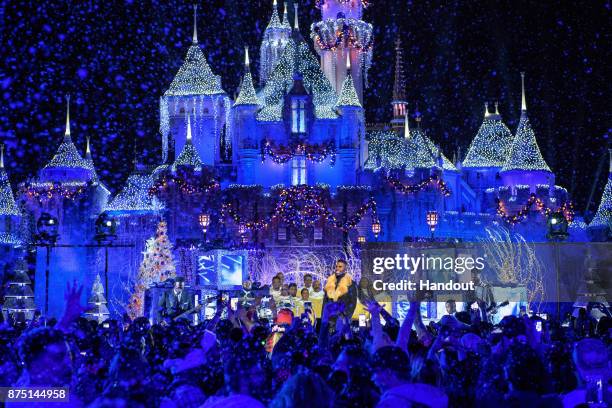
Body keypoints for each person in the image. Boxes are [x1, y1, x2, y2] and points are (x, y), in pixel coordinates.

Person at [372, 346, 448, 408]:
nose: (373, 378)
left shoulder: (389, 404)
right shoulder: (436, 393)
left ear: (388, 373)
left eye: (376, 372)